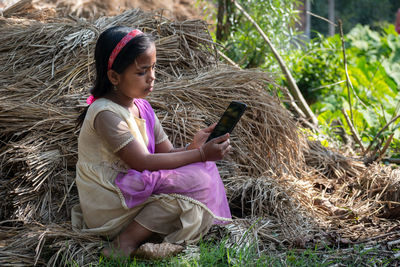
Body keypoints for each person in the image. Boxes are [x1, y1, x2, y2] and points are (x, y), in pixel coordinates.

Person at [71, 26, 232, 258]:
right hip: (111, 201)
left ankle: (157, 241)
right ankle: (123, 243)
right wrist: (201, 154)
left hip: (134, 189)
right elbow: (141, 161)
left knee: (203, 170)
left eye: (153, 67)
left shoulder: (141, 106)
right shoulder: (104, 113)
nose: (152, 76)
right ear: (114, 77)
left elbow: (166, 153)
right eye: (142, 71)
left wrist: (194, 147)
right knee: (197, 174)